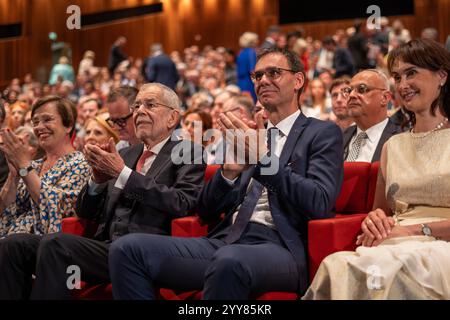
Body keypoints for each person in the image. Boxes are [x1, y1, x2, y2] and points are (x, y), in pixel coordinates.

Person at [108, 48, 343, 300]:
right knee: (126, 249)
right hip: (227, 239)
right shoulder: (247, 136)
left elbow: (318, 202)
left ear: (298, 81)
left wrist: (264, 160)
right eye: (258, 75)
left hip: (279, 246)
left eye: (274, 73)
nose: (263, 80)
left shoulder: (321, 133)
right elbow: (205, 210)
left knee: (228, 261)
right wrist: (228, 172)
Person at [0, 83, 205, 300]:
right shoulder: (125, 153)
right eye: (136, 106)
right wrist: (96, 182)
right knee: (14, 245)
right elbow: (85, 213)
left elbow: (182, 203)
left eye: (150, 105)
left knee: (56, 244)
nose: (140, 111)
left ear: (172, 118)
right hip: (105, 248)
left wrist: (123, 174)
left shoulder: (188, 152)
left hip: (147, 249)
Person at [304, 39, 450, 300]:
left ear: (441, 76)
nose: (403, 85)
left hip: (438, 245)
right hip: (395, 240)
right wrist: (374, 220)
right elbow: (380, 210)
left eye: (412, 72)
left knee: (396, 269)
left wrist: (415, 230)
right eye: (397, 76)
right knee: (336, 265)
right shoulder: (392, 146)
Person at [0, 95, 90, 239]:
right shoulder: (34, 165)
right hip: (9, 236)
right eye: (35, 122)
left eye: (47, 120)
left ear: (68, 125)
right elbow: (5, 209)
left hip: (42, 244)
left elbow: (59, 209)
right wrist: (14, 175)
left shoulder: (82, 163)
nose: (39, 127)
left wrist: (23, 166)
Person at [343, 69, 403, 162]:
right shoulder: (341, 137)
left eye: (362, 89)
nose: (352, 95)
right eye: (349, 90)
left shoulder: (402, 138)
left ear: (385, 98)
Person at [237, 32, 259, 102]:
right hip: (249, 83)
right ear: (252, 41)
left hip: (241, 82)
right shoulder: (251, 52)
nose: (258, 41)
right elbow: (252, 70)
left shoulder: (241, 52)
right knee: (251, 103)